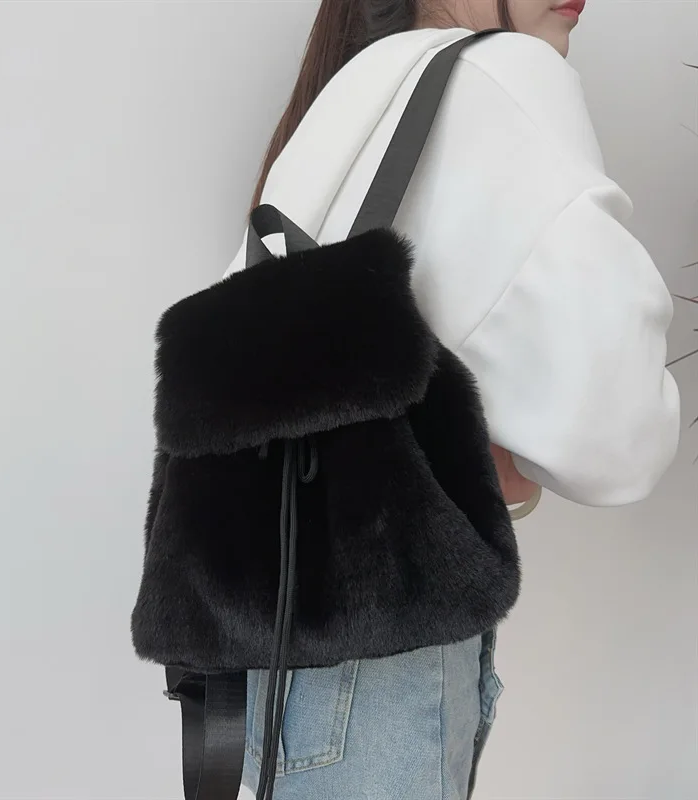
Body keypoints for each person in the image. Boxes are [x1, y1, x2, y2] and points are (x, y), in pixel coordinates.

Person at [219, 1, 681, 798]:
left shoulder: (356, 84)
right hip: (387, 655)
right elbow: (621, 435)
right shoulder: (502, 75)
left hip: (283, 661)